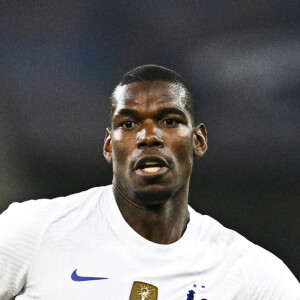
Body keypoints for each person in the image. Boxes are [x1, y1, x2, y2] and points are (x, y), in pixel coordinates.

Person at [0, 65, 299, 300]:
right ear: (108, 146)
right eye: (128, 124)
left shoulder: (247, 271)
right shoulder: (35, 230)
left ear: (198, 140)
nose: (148, 137)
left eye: (169, 121)